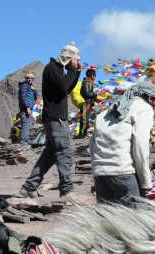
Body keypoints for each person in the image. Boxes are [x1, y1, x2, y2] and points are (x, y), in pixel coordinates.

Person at [18, 42, 82, 199]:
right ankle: (66, 190)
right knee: (64, 152)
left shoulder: (58, 70)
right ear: (70, 58)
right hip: (56, 118)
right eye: (74, 60)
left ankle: (29, 187)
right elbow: (63, 87)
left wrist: (76, 72)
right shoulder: (52, 68)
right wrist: (73, 69)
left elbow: (67, 87)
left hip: (55, 118)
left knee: (51, 154)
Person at [89, 81, 155, 207]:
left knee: (104, 223)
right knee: (136, 222)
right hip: (124, 173)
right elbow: (140, 145)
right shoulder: (144, 108)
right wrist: (145, 182)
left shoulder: (105, 113)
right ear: (150, 98)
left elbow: (92, 145)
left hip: (101, 175)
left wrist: (96, 173)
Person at [77, 68, 97, 138]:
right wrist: (94, 94)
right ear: (90, 75)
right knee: (84, 118)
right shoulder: (86, 82)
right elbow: (86, 93)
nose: (95, 76)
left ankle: (83, 133)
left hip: (89, 103)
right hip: (86, 103)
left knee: (85, 118)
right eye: (94, 75)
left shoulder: (89, 82)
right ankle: (82, 134)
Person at [18, 72, 37, 146]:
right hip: (26, 109)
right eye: (28, 78)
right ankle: (23, 143)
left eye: (32, 78)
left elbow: (35, 98)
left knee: (29, 125)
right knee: (26, 126)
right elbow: (23, 97)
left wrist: (34, 90)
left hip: (28, 109)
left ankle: (25, 142)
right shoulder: (24, 86)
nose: (30, 79)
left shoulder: (30, 87)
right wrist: (27, 108)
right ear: (26, 79)